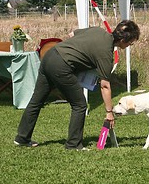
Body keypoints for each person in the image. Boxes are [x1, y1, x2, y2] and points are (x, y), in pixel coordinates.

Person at [14, 20, 140, 150]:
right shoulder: (106, 53)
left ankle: (22, 138)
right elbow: (105, 86)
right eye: (131, 42)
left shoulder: (97, 30)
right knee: (79, 105)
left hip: (49, 56)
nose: (131, 45)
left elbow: (72, 34)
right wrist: (109, 112)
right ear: (123, 40)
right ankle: (73, 144)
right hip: (61, 66)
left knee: (37, 100)